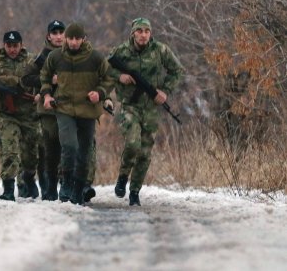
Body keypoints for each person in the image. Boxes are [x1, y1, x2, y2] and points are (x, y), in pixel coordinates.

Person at [109, 17, 184, 206]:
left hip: (151, 107)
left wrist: (164, 91)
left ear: (150, 33)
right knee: (132, 143)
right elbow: (104, 69)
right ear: (133, 33)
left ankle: (134, 191)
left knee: (144, 153)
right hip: (129, 106)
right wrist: (121, 76)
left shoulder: (160, 50)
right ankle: (123, 177)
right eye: (139, 31)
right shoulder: (121, 51)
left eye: (146, 31)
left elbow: (177, 71)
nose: (143, 35)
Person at [39, 23, 114, 205]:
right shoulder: (55, 56)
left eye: (77, 39)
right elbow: (45, 76)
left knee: (84, 151)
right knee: (69, 146)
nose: (73, 42)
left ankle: (79, 188)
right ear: (66, 39)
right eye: (70, 38)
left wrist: (100, 93)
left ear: (83, 39)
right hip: (64, 108)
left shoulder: (95, 57)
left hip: (87, 110)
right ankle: (65, 183)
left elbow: (109, 77)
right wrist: (47, 95)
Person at [0, 30, 41, 201]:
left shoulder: (32, 61)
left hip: (30, 115)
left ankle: (28, 177)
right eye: (9, 46)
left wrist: (40, 94)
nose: (12, 49)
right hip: (7, 115)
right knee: (10, 151)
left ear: (21, 45)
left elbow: (44, 81)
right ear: (4, 45)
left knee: (31, 154)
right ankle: (8, 189)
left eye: (15, 46)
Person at [21, 20, 65, 200]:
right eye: (54, 33)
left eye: (61, 32)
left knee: (67, 148)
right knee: (50, 150)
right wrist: (47, 81)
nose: (58, 36)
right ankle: (50, 187)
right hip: (47, 110)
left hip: (68, 108)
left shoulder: (71, 53)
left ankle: (65, 187)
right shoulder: (42, 57)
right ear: (48, 36)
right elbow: (26, 79)